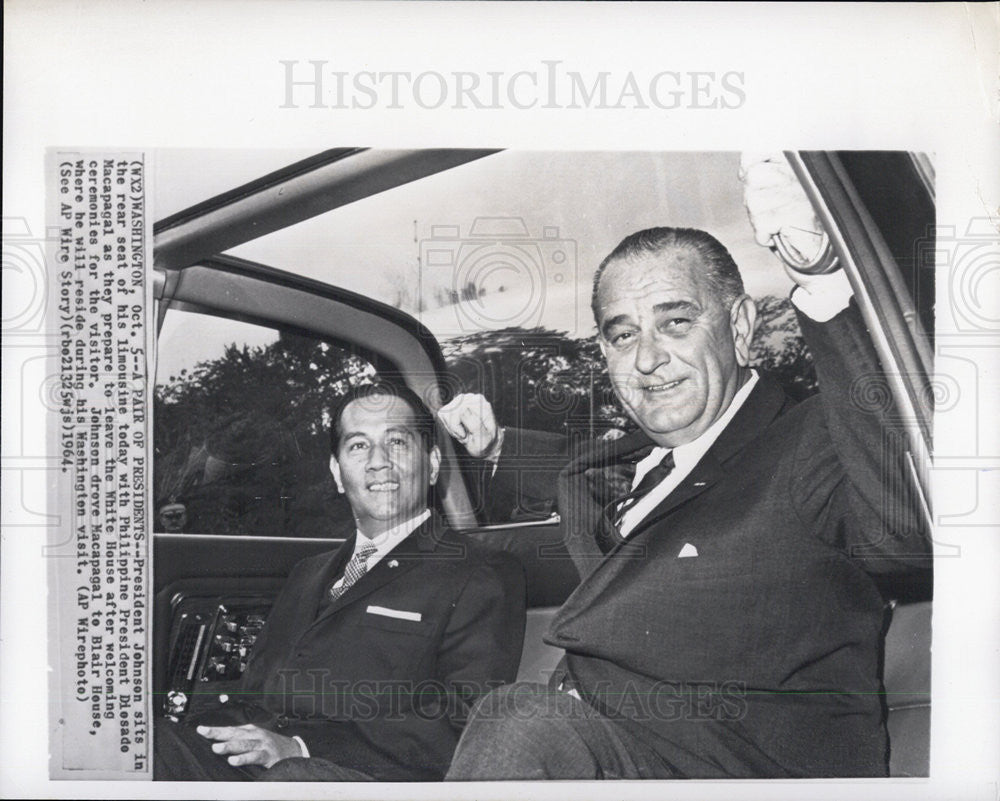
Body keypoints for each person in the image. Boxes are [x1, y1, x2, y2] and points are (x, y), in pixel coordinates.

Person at [439, 157, 930, 779]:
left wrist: (824, 281)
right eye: (622, 336)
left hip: (736, 770)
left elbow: (907, 531)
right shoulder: (637, 461)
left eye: (675, 323)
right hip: (600, 753)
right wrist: (496, 445)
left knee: (517, 720)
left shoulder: (815, 441)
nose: (647, 357)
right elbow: (577, 466)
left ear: (742, 327)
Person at [154, 382, 526, 781]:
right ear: (336, 472)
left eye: (397, 442)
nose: (378, 462)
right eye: (358, 446)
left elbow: (464, 721)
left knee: (293, 780)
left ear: (433, 464)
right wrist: (202, 732)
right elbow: (257, 695)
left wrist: (301, 749)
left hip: (364, 776)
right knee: (145, 746)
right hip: (261, 764)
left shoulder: (480, 572)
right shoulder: (308, 573)